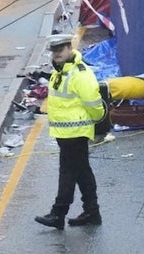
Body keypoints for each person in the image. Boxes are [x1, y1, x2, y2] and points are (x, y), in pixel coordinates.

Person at [35, 38, 106, 230]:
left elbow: (93, 102)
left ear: (70, 48)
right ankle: (92, 212)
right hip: (64, 132)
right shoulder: (60, 72)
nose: (57, 53)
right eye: (54, 50)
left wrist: (98, 119)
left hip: (75, 132)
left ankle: (58, 213)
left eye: (61, 49)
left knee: (67, 173)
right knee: (82, 171)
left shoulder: (79, 73)